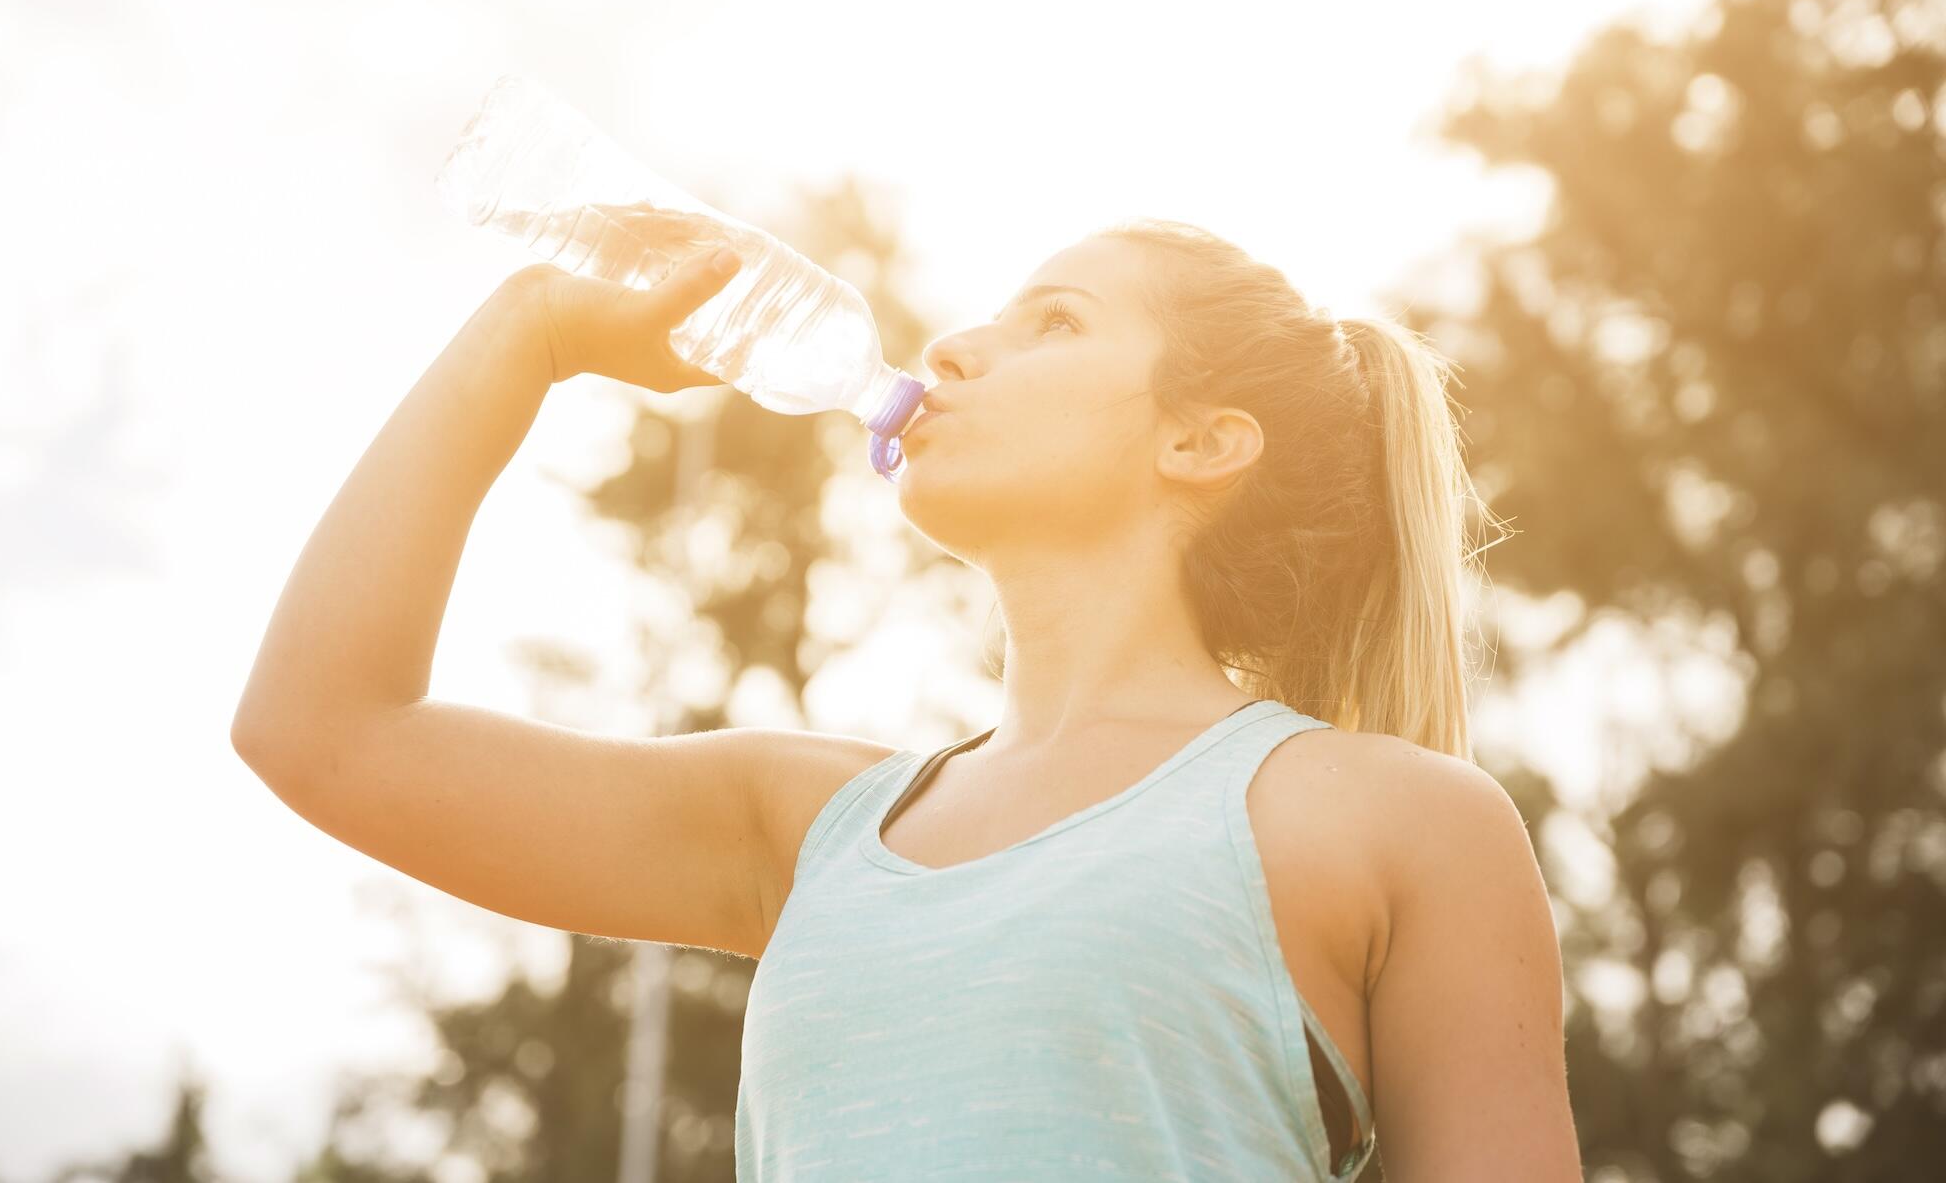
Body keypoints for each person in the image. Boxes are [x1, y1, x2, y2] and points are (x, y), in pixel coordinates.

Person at [232, 218, 1582, 1180]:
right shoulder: (808, 825)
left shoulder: (1394, 823)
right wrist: (528, 330)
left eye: (1056, 321)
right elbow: (323, 729)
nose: (955, 345)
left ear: (1202, 439)